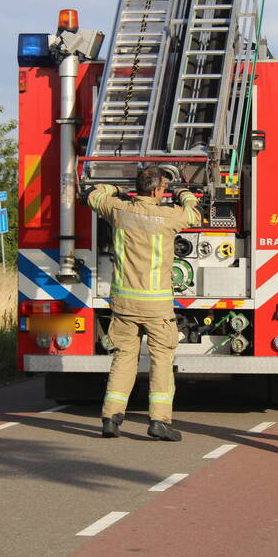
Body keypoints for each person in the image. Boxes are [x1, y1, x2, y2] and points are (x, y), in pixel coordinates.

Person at [86, 167, 201, 441]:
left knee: (124, 358)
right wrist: (184, 193)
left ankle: (111, 418)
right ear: (158, 190)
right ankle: (159, 422)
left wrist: (116, 189)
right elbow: (195, 215)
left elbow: (93, 195)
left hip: (124, 303)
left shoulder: (118, 210)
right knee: (162, 360)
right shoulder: (169, 215)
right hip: (157, 306)